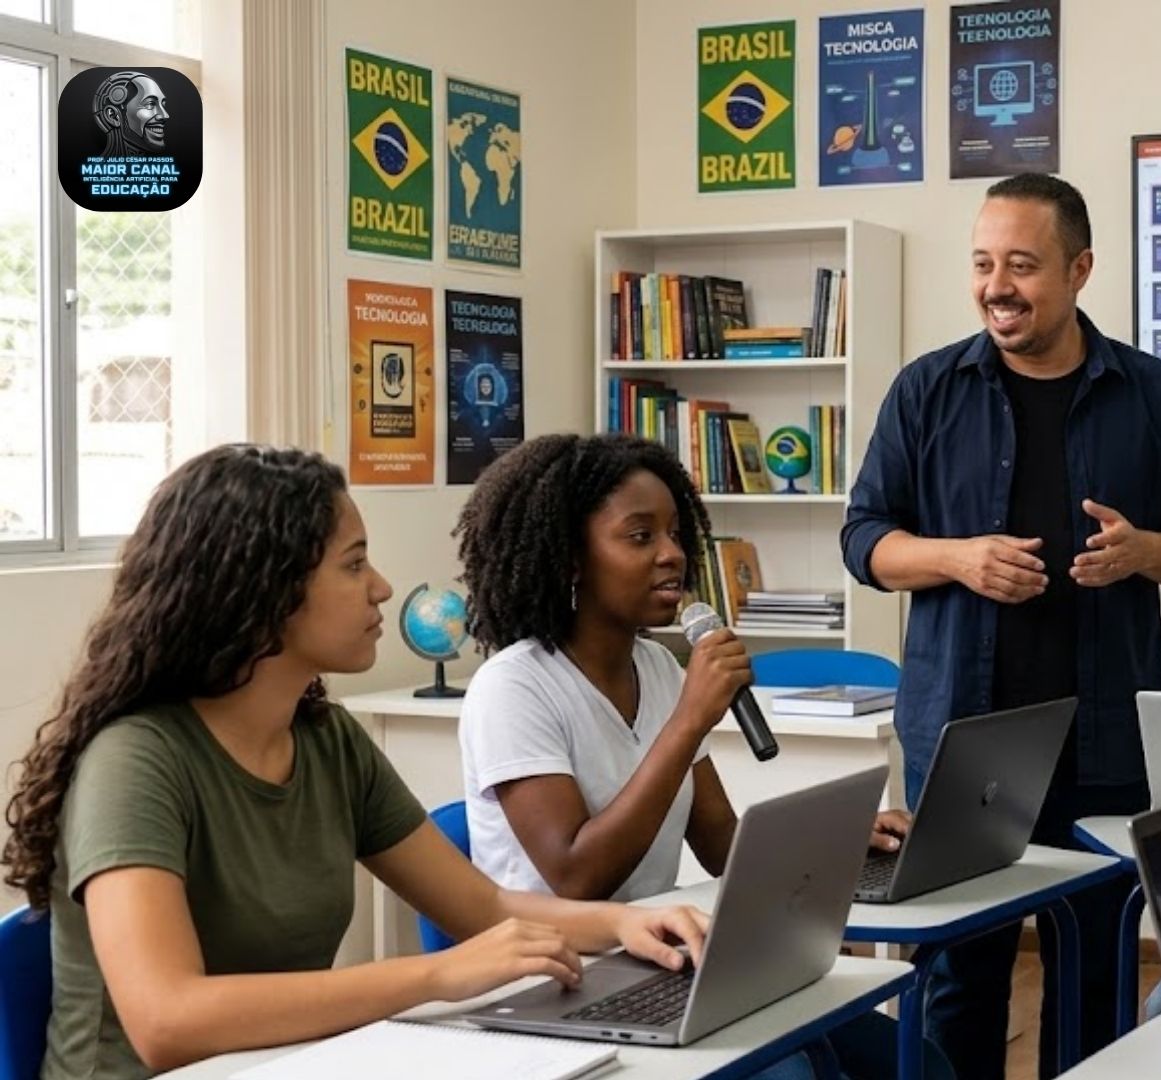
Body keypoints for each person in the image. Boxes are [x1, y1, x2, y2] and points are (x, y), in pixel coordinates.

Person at [0, 446, 708, 1080]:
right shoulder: (135, 760)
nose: (381, 587)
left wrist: (620, 928)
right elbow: (166, 1021)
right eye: (354, 563)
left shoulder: (327, 740)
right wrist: (434, 974)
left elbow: (481, 905)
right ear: (264, 589)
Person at [841, 172, 1161, 1078]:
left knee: (1096, 966)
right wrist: (955, 558)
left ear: (1080, 269)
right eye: (982, 264)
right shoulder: (926, 390)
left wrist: (1147, 552)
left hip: (1107, 737)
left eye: (1021, 264)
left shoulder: (1153, 393)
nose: (996, 286)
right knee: (959, 975)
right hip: (962, 740)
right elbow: (864, 539)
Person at [453, 433, 925, 1080]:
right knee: (792, 1074)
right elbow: (575, 876)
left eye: (675, 533)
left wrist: (836, 845)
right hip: (560, 977)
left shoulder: (658, 666)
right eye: (640, 536)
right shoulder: (514, 687)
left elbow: (720, 842)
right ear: (570, 559)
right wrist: (687, 722)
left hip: (661, 957)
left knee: (911, 1057)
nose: (673, 554)